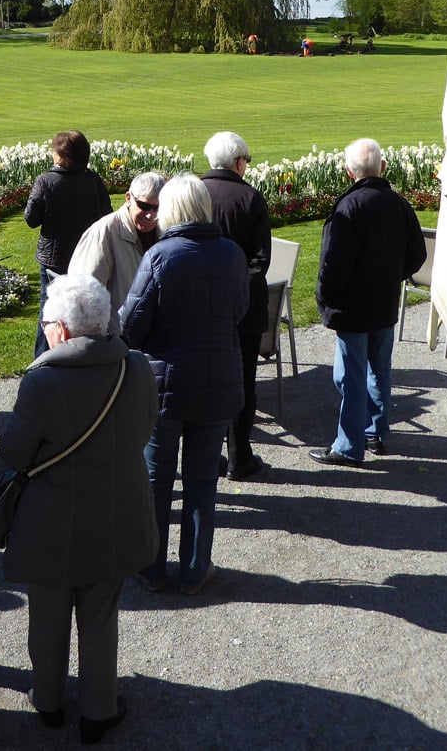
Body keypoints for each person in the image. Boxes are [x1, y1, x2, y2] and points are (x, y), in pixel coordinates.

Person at [0, 274, 157, 743]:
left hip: (50, 521)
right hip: (114, 512)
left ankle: (47, 702)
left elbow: (12, 453)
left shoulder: (43, 380)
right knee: (101, 616)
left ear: (62, 331)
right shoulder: (138, 369)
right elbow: (144, 431)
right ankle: (99, 710)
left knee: (46, 615)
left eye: (48, 322)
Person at [119, 174, 247, 596]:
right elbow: (240, 311)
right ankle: (194, 570)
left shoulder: (160, 256)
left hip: (166, 384)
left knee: (156, 481)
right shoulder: (231, 253)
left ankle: (151, 568)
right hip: (219, 377)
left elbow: (131, 327)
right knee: (201, 481)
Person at [311, 138, 426, 468]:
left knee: (350, 376)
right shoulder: (399, 205)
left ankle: (349, 446)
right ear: (383, 167)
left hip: (353, 308)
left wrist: (325, 296)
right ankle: (375, 432)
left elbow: (332, 265)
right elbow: (417, 254)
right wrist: (392, 276)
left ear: (349, 172)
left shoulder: (348, 208)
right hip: (383, 304)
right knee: (378, 372)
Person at [200, 131, 272, 481]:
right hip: (243, 309)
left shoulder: (193, 193)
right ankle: (238, 458)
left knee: (205, 380)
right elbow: (260, 261)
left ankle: (207, 455)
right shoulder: (250, 198)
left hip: (200, 306)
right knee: (242, 382)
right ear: (239, 162)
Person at [25, 130, 111, 358]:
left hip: (54, 259)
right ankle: (86, 355)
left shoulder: (45, 181)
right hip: (86, 255)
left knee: (49, 311)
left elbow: (30, 219)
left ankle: (43, 359)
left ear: (62, 156)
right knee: (86, 312)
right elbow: (107, 214)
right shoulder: (93, 181)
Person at [67, 171, 166, 335]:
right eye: (144, 206)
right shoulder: (103, 233)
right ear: (128, 198)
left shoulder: (165, 230)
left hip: (153, 339)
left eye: (158, 208)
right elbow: (82, 295)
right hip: (117, 339)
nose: (151, 215)